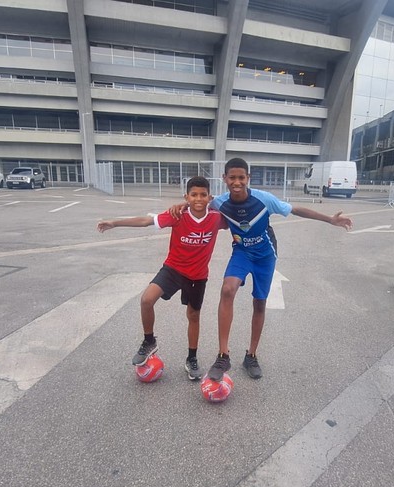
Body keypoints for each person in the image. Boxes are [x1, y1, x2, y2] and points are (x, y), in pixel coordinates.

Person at [172, 158, 353, 382]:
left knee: (259, 303)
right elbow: (198, 203)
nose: (236, 182)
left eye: (241, 177)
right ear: (225, 179)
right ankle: (223, 355)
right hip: (241, 252)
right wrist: (181, 206)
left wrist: (330, 220)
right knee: (227, 290)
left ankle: (251, 355)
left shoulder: (263, 199)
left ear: (248, 178)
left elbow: (296, 209)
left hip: (265, 256)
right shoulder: (220, 202)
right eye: (232, 178)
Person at [97, 176, 226, 380]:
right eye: (193, 195)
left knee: (193, 316)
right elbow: (147, 220)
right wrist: (115, 222)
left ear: (210, 197)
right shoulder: (177, 215)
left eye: (203, 195)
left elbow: (236, 215)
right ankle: (149, 341)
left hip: (198, 275)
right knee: (146, 300)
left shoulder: (216, 218)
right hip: (173, 269)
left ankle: (191, 358)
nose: (198, 199)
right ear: (186, 196)